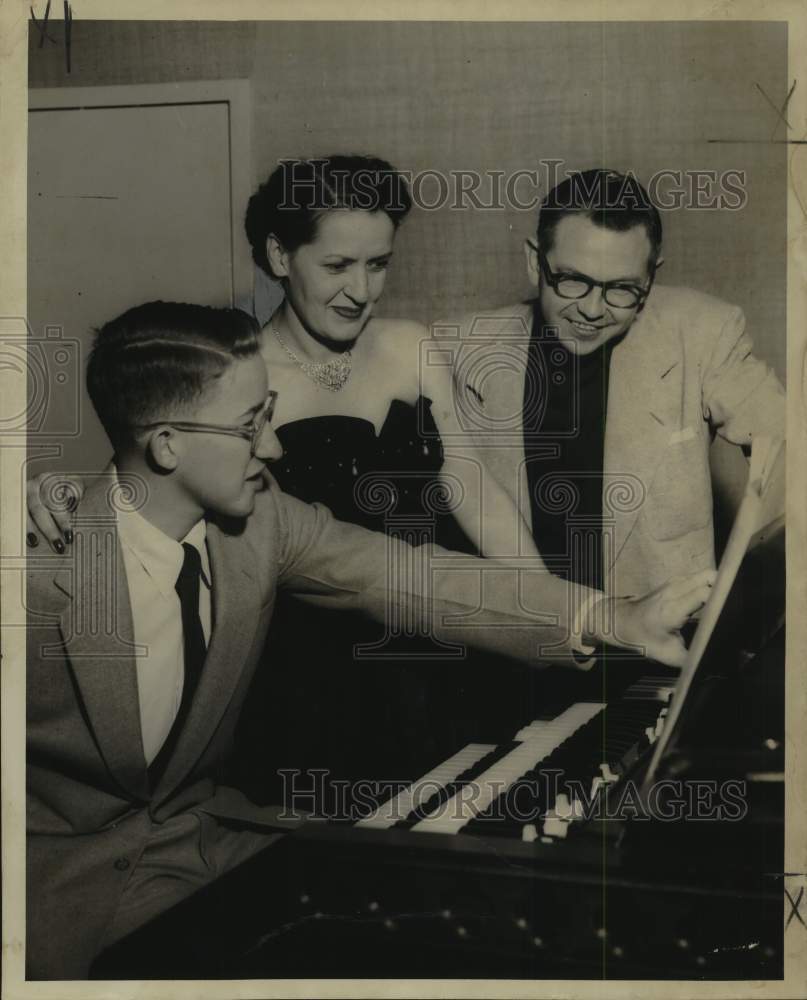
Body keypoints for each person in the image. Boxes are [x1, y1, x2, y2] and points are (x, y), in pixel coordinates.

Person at [25, 299, 713, 979]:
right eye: (248, 426)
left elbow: (415, 577)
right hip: (52, 901)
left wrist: (608, 618)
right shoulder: (31, 568)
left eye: (268, 414)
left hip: (212, 853)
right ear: (167, 444)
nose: (271, 448)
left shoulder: (264, 521)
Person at [28, 155, 553, 789]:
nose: (361, 290)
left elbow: (469, 483)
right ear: (280, 256)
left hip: (433, 639)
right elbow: (146, 471)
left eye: (378, 263)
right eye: (336, 265)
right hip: (305, 678)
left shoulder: (410, 345)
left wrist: (544, 605)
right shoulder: (236, 373)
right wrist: (44, 496)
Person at [443, 168, 785, 603]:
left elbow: (789, 441)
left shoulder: (703, 332)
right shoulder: (458, 349)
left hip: (655, 656)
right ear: (534, 261)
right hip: (514, 649)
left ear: (651, 279)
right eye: (572, 279)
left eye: (621, 289)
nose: (591, 309)